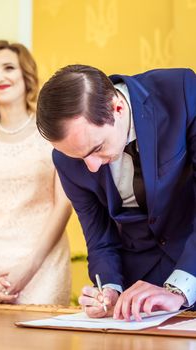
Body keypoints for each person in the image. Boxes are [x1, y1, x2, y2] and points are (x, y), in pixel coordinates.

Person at [36, 64, 196, 320]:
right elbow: (99, 236)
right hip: (138, 298)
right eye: (78, 158)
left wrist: (178, 288)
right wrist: (109, 288)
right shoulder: (66, 158)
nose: (91, 166)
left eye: (96, 148)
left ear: (117, 108)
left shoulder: (181, 91)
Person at [0, 40, 72, 305]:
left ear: (25, 74)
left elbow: (64, 204)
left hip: (43, 266)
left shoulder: (50, 132)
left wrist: (30, 268)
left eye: (8, 68)